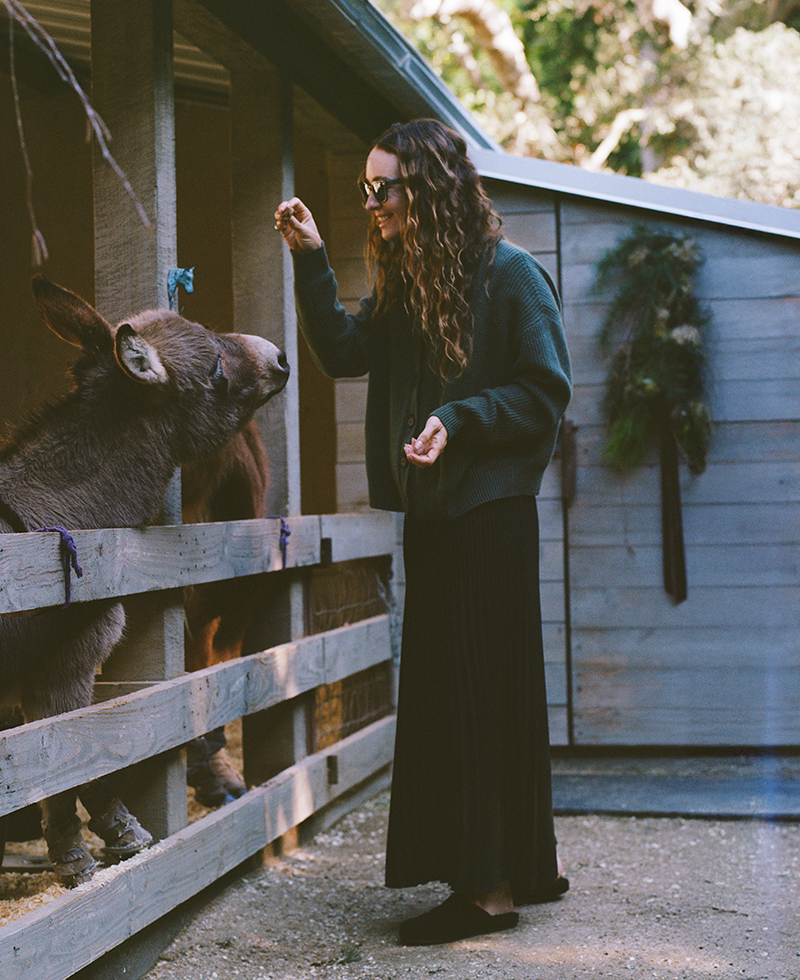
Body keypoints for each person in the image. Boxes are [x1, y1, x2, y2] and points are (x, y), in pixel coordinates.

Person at [275, 118, 572, 946]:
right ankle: (521, 867)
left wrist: (458, 418)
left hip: (491, 520)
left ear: (431, 187)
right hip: (437, 519)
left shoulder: (512, 277)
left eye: (385, 188)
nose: (372, 204)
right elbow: (339, 352)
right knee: (456, 697)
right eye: (367, 190)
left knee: (482, 694)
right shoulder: (408, 284)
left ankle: (487, 899)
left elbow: (545, 392)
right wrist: (310, 256)